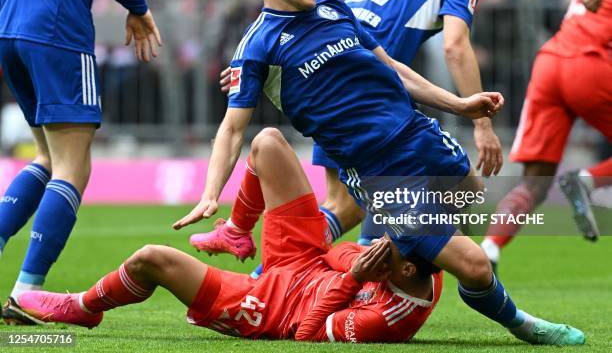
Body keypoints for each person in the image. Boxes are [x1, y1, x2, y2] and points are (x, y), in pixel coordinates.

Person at [174, 0, 583, 345]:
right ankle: (524, 326)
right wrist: (211, 193)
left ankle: (379, 256)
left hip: (420, 136)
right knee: (475, 265)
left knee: (472, 204)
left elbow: (395, 70)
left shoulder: (334, 8)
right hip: (381, 174)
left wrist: (459, 105)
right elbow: (231, 128)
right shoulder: (258, 46)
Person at [213, 0, 504, 258]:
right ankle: (285, 274)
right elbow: (455, 46)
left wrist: (264, 46)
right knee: (374, 203)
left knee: (352, 204)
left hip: (333, 67)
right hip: (368, 84)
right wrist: (482, 124)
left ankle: (338, 265)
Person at [14, 128, 444, 343]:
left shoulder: (384, 321)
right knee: (269, 141)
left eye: (390, 242)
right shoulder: (423, 263)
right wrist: (352, 264)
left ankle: (83, 306)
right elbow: (341, 251)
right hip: (304, 260)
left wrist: (352, 278)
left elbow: (306, 334)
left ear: (405, 267)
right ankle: (238, 232)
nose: (382, 237)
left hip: (271, 307)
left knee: (151, 258)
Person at [0, 0, 161, 323]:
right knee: (73, 167)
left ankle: (24, 286)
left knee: (46, 158)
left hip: (10, 27)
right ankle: (27, 292)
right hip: (58, 32)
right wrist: (137, 7)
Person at [480, 0, 612, 268]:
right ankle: (589, 180)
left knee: (535, 182)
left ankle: (490, 247)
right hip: (589, 62)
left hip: (551, 63)